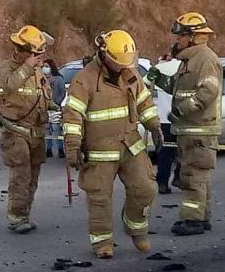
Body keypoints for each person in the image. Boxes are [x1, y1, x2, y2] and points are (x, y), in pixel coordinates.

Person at [65, 31, 163, 259]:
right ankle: (102, 242)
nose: (122, 67)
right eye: (118, 63)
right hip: (99, 151)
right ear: (103, 54)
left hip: (130, 145)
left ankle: (136, 228)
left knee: (146, 188)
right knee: (99, 199)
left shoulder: (130, 74)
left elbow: (144, 101)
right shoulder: (84, 79)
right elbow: (73, 116)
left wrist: (154, 125)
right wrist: (73, 146)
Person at [148, 12, 223, 237]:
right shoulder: (189, 61)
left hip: (199, 129)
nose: (176, 40)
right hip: (191, 129)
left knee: (193, 177)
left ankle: (192, 220)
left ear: (192, 36)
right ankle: (203, 216)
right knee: (200, 176)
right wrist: (159, 78)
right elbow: (179, 88)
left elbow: (208, 91)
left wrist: (182, 109)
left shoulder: (205, 59)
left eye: (180, 36)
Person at [0, 25, 55, 234]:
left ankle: (25, 213)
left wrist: (59, 109)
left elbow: (42, 97)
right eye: (34, 54)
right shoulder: (7, 67)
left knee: (33, 176)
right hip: (16, 131)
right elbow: (9, 86)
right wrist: (27, 67)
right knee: (20, 176)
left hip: (36, 132)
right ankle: (17, 217)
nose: (38, 58)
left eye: (39, 54)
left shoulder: (37, 72)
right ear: (22, 51)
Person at [154, 55, 181, 194]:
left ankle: (162, 182)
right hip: (181, 117)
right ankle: (179, 176)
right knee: (184, 150)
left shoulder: (160, 68)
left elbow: (145, 81)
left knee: (166, 153)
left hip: (164, 118)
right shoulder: (185, 68)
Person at [43, 58, 65, 158]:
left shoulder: (59, 79)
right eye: (44, 66)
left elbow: (62, 93)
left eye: (47, 66)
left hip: (55, 109)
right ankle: (48, 150)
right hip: (45, 109)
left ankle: (60, 150)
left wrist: (57, 103)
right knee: (47, 130)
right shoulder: (43, 79)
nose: (44, 68)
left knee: (56, 130)